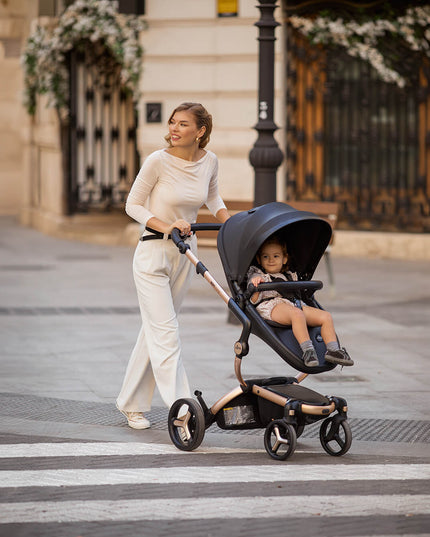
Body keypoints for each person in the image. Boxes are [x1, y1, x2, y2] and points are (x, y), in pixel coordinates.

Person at [116, 102, 230, 429]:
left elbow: (214, 198)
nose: (174, 129)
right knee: (166, 332)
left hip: (185, 254)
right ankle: (185, 410)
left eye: (183, 124)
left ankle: (129, 403)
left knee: (156, 329)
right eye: (172, 123)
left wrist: (234, 224)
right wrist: (164, 226)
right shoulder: (157, 161)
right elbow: (132, 205)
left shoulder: (210, 161)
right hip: (153, 252)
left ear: (201, 131)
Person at [247, 235, 353, 368]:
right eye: (265, 256)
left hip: (293, 304)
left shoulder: (291, 275)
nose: (270, 260)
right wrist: (255, 286)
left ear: (284, 258)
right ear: (259, 259)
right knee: (297, 314)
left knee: (325, 316)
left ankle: (333, 350)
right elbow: (253, 300)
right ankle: (308, 351)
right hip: (273, 306)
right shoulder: (258, 275)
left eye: (276, 256)